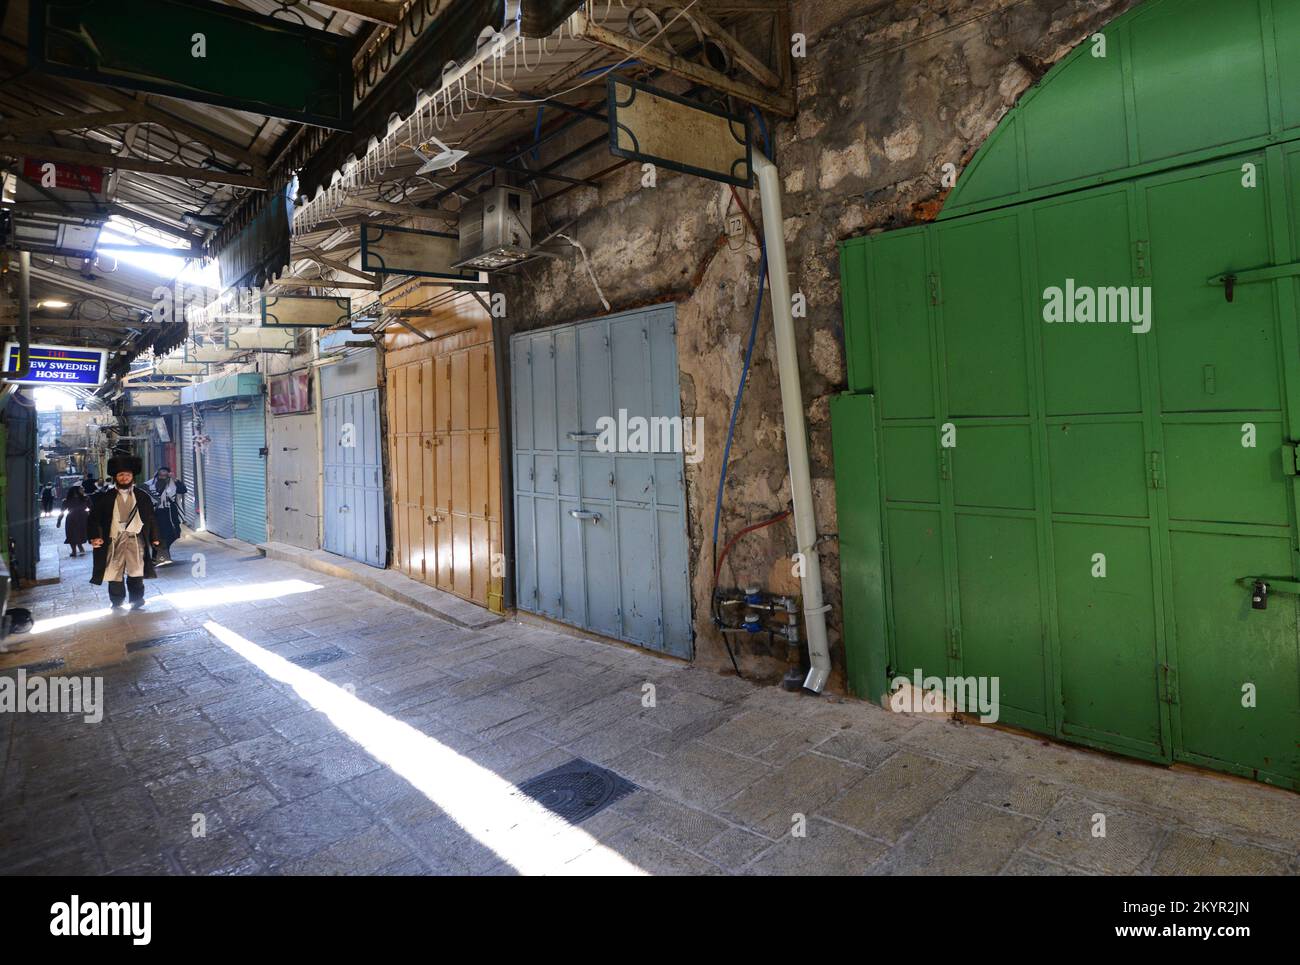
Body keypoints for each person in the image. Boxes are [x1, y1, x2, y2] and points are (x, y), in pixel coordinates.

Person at [87, 455, 160, 610]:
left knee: (136, 572)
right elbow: (94, 519)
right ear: (115, 478)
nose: (124, 477)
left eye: (127, 474)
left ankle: (137, 601)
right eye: (121, 475)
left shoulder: (142, 496)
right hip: (114, 540)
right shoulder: (104, 498)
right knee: (114, 573)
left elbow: (151, 518)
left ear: (132, 477)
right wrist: (95, 537)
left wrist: (155, 537)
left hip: (135, 539)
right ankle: (117, 601)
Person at [144, 466, 187, 565]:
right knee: (155, 535)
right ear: (157, 475)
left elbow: (183, 490)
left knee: (172, 533)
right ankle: (156, 557)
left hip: (170, 513)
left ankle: (165, 553)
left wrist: (175, 479)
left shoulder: (173, 484)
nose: (162, 477)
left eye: (165, 475)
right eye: (160, 475)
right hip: (155, 513)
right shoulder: (149, 485)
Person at [56, 485, 92, 557]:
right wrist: (59, 521)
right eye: (81, 489)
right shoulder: (85, 499)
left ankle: (76, 550)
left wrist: (59, 521)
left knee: (74, 534)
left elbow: (62, 512)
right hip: (80, 517)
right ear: (76, 491)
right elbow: (91, 508)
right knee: (75, 534)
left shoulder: (84, 498)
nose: (83, 490)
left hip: (74, 517)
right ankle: (77, 549)